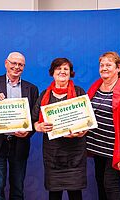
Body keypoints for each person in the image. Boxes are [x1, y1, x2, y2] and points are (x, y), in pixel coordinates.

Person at [0, 51, 39, 200]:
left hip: (20, 144)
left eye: (20, 64)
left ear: (24, 67)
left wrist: (28, 132)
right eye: (13, 63)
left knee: (18, 189)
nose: (17, 67)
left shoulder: (32, 89)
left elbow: (35, 118)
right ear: (6, 63)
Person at [32, 58, 87, 200]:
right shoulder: (44, 95)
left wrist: (82, 131)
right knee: (54, 194)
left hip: (75, 154)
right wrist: (39, 127)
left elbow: (88, 121)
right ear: (52, 72)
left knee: (75, 194)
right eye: (58, 68)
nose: (62, 71)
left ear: (70, 73)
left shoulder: (79, 92)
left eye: (66, 69)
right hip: (53, 154)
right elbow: (34, 122)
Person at [86, 51, 120, 200]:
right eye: (102, 65)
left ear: (118, 68)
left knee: (110, 185)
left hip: (114, 150)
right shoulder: (95, 86)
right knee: (100, 183)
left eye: (108, 65)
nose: (104, 68)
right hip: (97, 147)